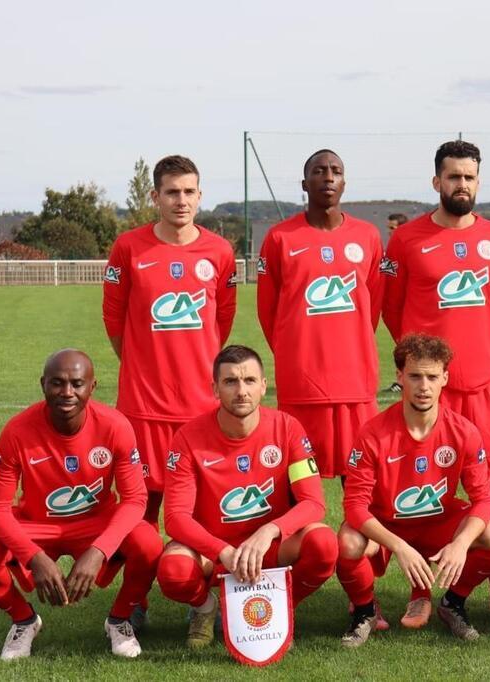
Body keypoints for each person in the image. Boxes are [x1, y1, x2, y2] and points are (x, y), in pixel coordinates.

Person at [381, 140, 490, 622]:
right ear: (436, 181)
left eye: (470, 177)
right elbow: (393, 311)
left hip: (487, 387)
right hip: (434, 390)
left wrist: (480, 350)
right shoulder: (406, 240)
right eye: (453, 176)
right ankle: (421, 591)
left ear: (479, 181)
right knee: (424, 486)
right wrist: (428, 366)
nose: (462, 184)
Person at [0, 350, 162, 660]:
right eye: (57, 383)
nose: (67, 393)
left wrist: (99, 551)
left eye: (76, 383)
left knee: (149, 541)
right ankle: (24, 620)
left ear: (92, 386)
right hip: (36, 524)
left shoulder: (115, 426)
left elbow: (135, 498)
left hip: (97, 521)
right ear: (43, 384)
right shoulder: (17, 431)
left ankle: (120, 620)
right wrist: (33, 556)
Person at [156, 345, 337, 649]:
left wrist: (269, 531)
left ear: (264, 386)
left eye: (250, 381)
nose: (241, 391)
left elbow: (313, 502)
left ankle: (281, 607)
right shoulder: (187, 437)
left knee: (324, 543)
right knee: (173, 571)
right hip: (215, 554)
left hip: (269, 548)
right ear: (214, 388)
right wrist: (221, 550)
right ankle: (204, 607)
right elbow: (176, 518)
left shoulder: (288, 428)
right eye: (230, 382)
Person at [336, 334, 490, 647]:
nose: (424, 386)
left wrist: (461, 543)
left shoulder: (463, 431)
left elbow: (483, 499)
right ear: (400, 377)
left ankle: (453, 604)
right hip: (388, 525)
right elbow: (355, 507)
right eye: (414, 376)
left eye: (431, 377)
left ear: (445, 378)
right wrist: (398, 546)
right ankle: (364, 610)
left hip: (437, 524)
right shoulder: (373, 432)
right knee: (348, 541)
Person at [103, 154, 238, 529]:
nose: (182, 201)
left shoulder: (220, 252)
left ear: (200, 195)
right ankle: (137, 589)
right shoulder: (128, 248)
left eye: (189, 192)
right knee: (141, 504)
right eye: (172, 192)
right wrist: (138, 361)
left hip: (201, 401)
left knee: (205, 503)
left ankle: (200, 585)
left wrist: (198, 358)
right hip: (144, 401)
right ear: (155, 197)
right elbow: (113, 318)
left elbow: (221, 321)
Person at [257, 149, 383, 479]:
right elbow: (268, 312)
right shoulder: (279, 238)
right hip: (303, 382)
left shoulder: (368, 236)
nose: (328, 176)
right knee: (297, 479)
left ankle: (361, 534)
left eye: (335, 171)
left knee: (358, 478)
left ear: (344, 183)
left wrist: (351, 343)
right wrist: (295, 352)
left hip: (354, 379)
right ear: (304, 182)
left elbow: (374, 306)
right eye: (319, 170)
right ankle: (301, 533)